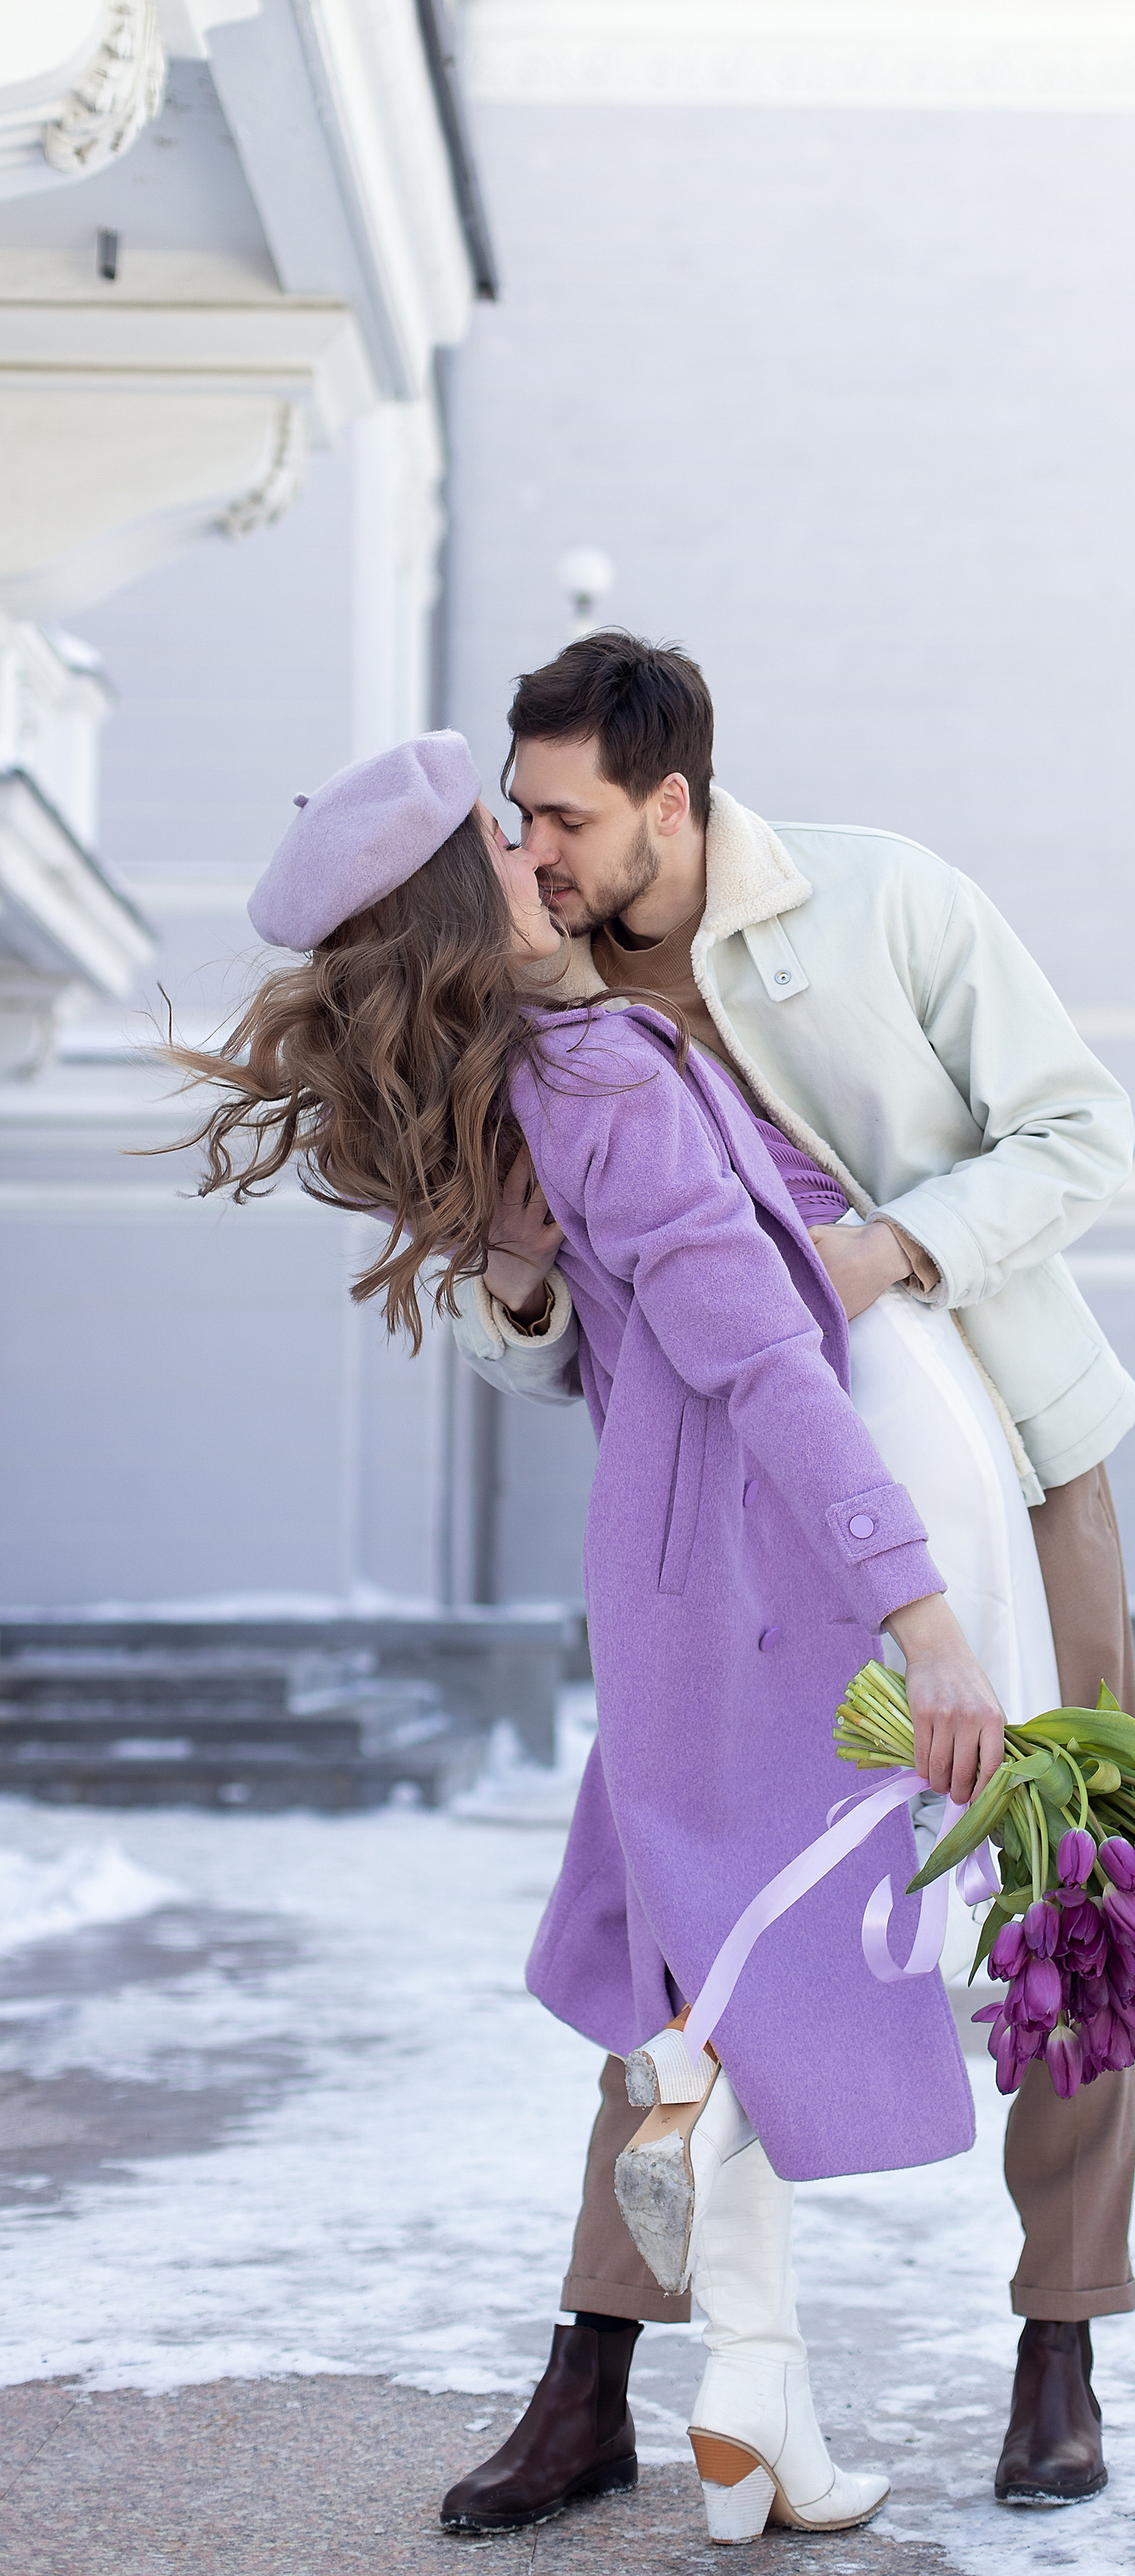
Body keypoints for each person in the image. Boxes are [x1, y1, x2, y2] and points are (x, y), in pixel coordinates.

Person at [171, 731, 1015, 2544]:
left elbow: (684, 1311)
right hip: (785, 1554)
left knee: (710, 1957)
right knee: (780, 1973)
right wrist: (922, 1613)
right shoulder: (598, 1074)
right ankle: (712, 2246)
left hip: (663, 1580)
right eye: (506, 832)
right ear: (464, 893)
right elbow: (765, 1361)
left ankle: (756, 2420)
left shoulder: (515, 1085)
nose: (540, 853)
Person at [445, 632, 1135, 2525]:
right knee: (688, 1928)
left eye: (570, 817)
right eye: (522, 815)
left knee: (1067, 1891)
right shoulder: (549, 1017)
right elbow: (582, 1342)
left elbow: (1083, 1130)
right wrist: (509, 1280)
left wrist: (891, 1252)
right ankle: (593, 2372)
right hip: (741, 1533)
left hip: (1007, 1453)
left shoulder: (883, 899)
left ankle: (1059, 2341)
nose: (541, 851)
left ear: (671, 802)